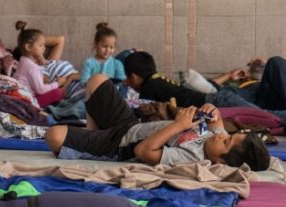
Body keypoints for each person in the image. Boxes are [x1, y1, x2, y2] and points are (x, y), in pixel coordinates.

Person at [44, 74, 270, 170]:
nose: (222, 136)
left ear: (221, 162)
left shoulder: (192, 157)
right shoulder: (216, 139)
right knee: (96, 80)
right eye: (229, 135)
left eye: (227, 142)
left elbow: (143, 151)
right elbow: (216, 123)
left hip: (118, 146)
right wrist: (212, 111)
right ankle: (90, 134)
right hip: (130, 125)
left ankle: (93, 142)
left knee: (53, 135)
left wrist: (178, 125)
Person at [122, 51, 286, 126]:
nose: (126, 82)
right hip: (221, 97)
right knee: (266, 115)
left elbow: (143, 109)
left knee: (268, 117)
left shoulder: (149, 86)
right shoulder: (159, 79)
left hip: (217, 102)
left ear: (134, 77)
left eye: (127, 79)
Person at [11, 22, 70, 107]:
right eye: (41, 45)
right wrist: (58, 83)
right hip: (26, 100)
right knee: (59, 93)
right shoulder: (33, 68)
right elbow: (40, 90)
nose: (44, 48)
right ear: (28, 47)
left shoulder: (23, 61)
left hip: (21, 94)